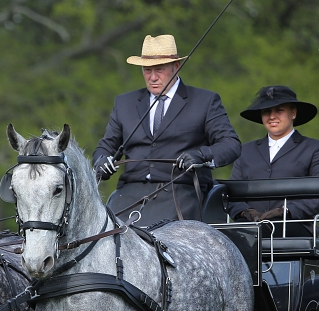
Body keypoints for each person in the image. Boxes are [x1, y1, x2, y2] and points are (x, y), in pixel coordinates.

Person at [92, 34, 241, 226]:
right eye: (147, 70)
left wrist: (202, 155)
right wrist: (102, 161)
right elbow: (105, 146)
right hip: (128, 194)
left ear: (176, 67)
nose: (153, 77)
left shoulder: (205, 101)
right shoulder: (125, 103)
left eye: (159, 70)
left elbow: (231, 144)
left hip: (181, 192)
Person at [227, 85, 319, 236]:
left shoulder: (314, 148)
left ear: (293, 113)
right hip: (250, 227)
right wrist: (245, 212)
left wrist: (286, 211)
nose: (272, 116)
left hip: (295, 225)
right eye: (266, 111)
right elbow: (232, 193)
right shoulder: (245, 151)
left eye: (279, 110)